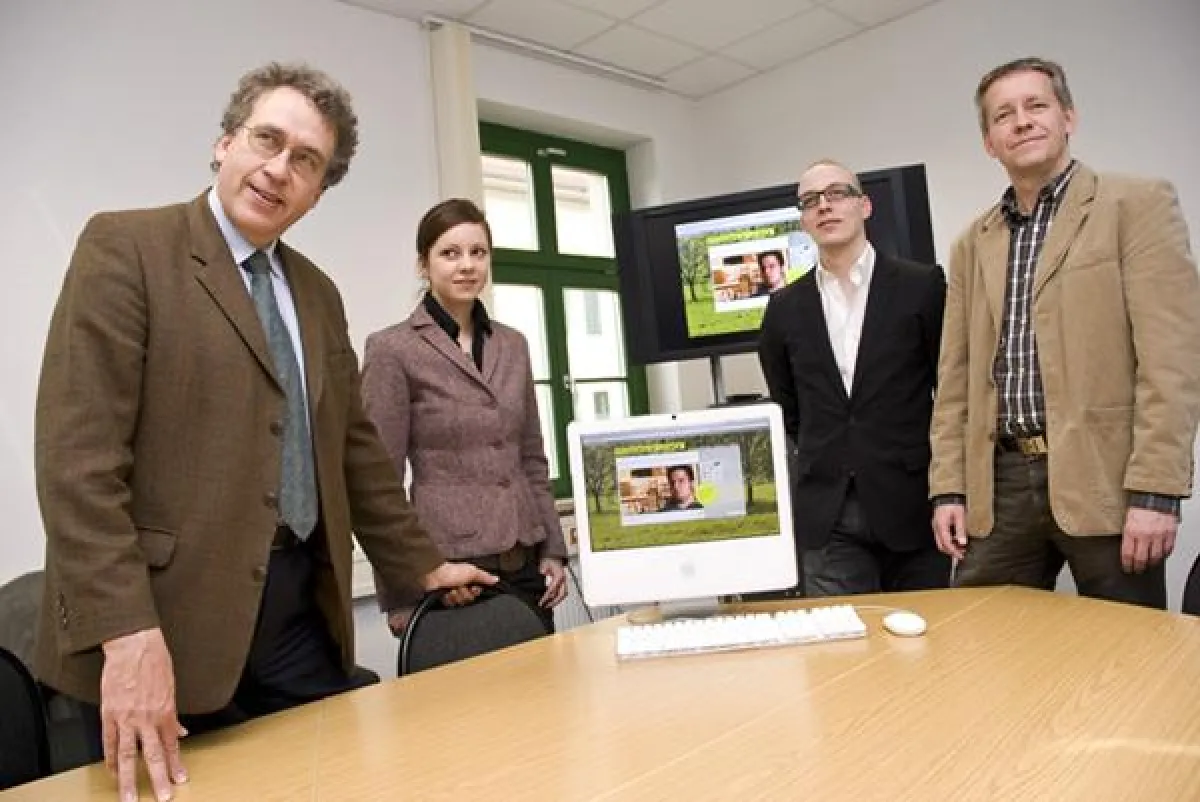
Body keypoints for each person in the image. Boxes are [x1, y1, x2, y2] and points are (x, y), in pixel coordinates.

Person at [33, 63, 495, 801]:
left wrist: (421, 565)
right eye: (266, 140)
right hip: (164, 624)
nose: (279, 169)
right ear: (225, 144)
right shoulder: (127, 249)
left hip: (296, 610)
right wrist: (125, 634)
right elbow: (77, 462)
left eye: (306, 161)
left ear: (317, 192)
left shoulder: (315, 291)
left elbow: (353, 451)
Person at [929, 57, 1200, 608]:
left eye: (1036, 106)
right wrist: (948, 488)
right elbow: (953, 380)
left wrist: (1158, 490)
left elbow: (1173, 360)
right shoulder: (971, 244)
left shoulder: (1136, 205)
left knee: (1125, 655)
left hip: (1106, 477)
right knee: (983, 646)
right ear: (990, 142)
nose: (1021, 121)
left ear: (1068, 117)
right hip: (999, 484)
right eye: (1003, 115)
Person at [361, 199, 568, 634]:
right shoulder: (392, 349)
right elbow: (377, 482)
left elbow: (530, 454)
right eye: (450, 253)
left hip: (526, 561)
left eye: (478, 252)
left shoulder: (513, 345)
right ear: (424, 264)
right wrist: (404, 588)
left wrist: (553, 548)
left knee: (544, 696)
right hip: (449, 575)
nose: (467, 265)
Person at [758, 160, 949, 597]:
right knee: (841, 653)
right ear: (803, 220)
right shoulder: (784, 308)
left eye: (837, 194)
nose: (824, 206)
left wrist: (952, 493)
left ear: (865, 205)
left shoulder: (921, 286)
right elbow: (788, 408)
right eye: (810, 201)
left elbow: (951, 390)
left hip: (913, 506)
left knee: (928, 647)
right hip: (829, 515)